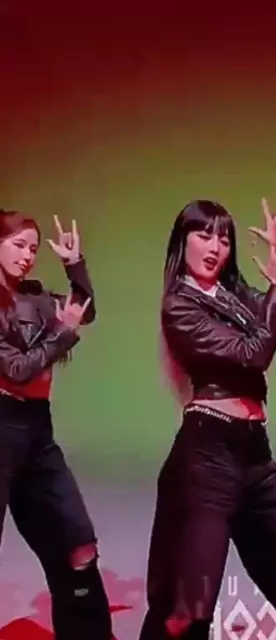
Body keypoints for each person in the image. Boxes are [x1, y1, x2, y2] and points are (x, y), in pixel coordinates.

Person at [139, 199, 276, 640]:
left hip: (255, 455)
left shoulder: (234, 296)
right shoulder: (179, 305)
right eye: (204, 235)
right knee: (186, 615)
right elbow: (254, 354)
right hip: (206, 459)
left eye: (224, 238)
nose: (215, 247)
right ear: (182, 242)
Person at [0, 210, 112, 639]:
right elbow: (16, 369)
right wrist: (63, 333)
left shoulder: (37, 297)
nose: (27, 256)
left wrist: (74, 265)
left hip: (36, 433)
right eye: (18, 245)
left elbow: (85, 310)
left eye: (33, 248)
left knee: (78, 545)